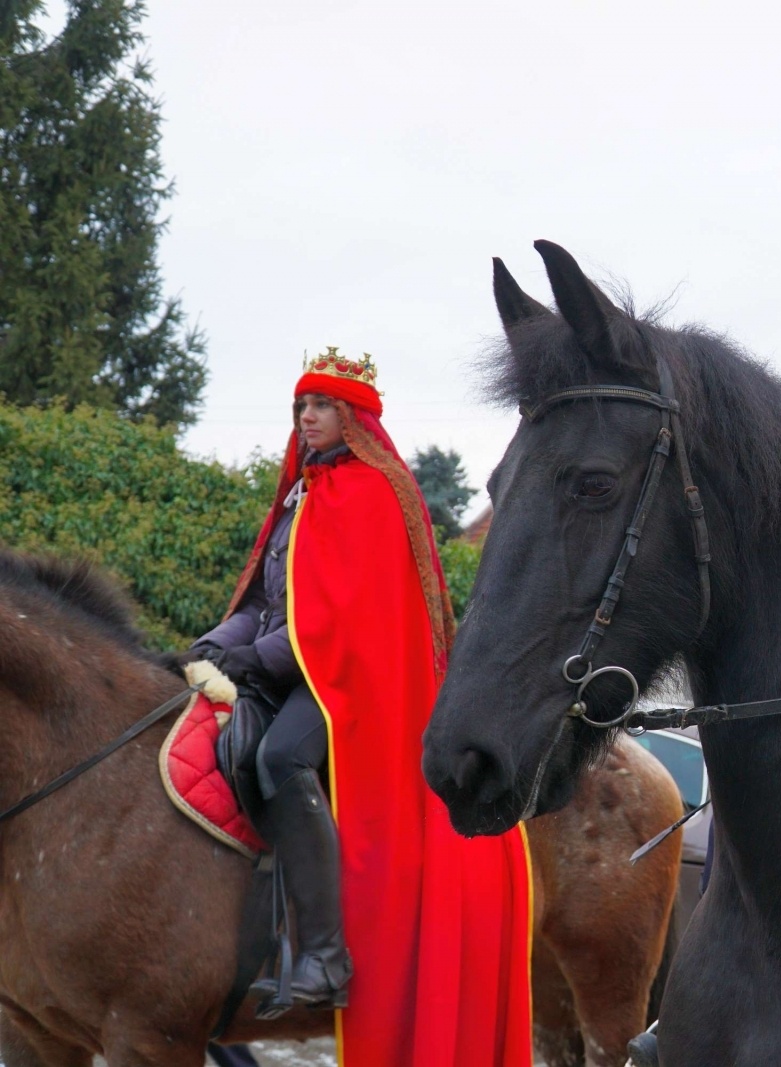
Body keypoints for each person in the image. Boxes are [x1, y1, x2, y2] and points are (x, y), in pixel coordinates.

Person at [187, 349, 535, 1067]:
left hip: (353, 679)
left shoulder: (373, 492)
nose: (306, 418)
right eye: (300, 408)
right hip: (301, 670)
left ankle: (325, 952)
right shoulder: (300, 496)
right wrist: (214, 643)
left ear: (352, 416)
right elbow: (264, 599)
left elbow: (343, 623)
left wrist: (255, 660)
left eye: (319, 406)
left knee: (279, 753)